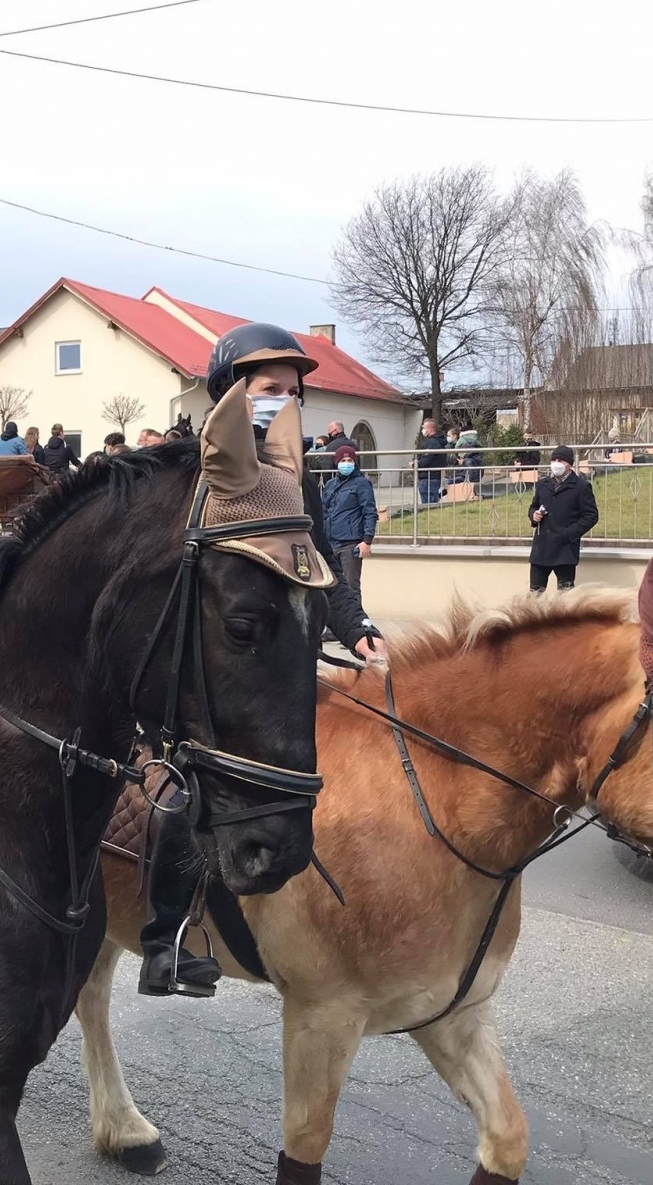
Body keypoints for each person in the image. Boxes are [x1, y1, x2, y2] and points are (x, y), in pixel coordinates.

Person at [137, 320, 385, 1001]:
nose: (286, 400)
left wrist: (355, 626)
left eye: (294, 391)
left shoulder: (294, 481)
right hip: (196, 657)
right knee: (178, 792)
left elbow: (319, 574)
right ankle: (164, 941)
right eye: (270, 389)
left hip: (269, 659)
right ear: (229, 393)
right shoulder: (187, 477)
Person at [528, 445, 598, 593]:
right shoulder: (543, 484)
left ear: (569, 464)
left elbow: (591, 516)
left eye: (560, 460)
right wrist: (534, 516)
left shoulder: (581, 486)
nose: (556, 463)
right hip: (542, 548)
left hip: (565, 550)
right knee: (535, 594)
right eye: (553, 460)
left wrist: (569, 534)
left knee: (566, 595)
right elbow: (533, 506)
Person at [322, 445, 377, 605]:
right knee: (330, 587)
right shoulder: (330, 485)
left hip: (350, 544)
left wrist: (367, 540)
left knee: (351, 587)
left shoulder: (362, 484)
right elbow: (324, 511)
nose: (346, 463)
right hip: (330, 543)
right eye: (343, 460)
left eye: (350, 460)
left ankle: (357, 625)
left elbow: (369, 512)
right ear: (337, 462)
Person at [413, 418, 448, 505]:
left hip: (428, 477)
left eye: (424, 428)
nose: (423, 430)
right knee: (432, 502)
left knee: (428, 504)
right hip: (433, 477)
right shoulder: (438, 442)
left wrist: (415, 464)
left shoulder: (432, 443)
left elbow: (425, 460)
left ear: (431, 429)